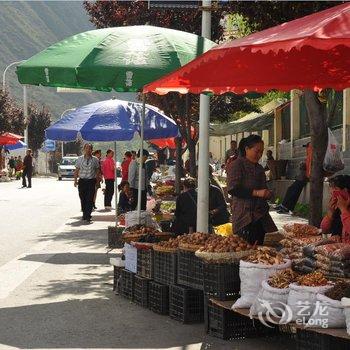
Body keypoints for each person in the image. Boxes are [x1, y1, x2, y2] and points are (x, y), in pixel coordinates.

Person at [228, 135, 277, 245]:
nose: (259, 155)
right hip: (244, 216)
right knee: (244, 249)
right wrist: (257, 193)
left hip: (260, 215)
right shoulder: (237, 165)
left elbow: (263, 187)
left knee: (259, 250)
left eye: (261, 152)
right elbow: (233, 189)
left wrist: (268, 193)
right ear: (246, 149)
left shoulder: (259, 168)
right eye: (257, 151)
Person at [74, 144, 100, 223]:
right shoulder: (80, 159)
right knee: (83, 198)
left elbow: (97, 170)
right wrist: (75, 180)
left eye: (90, 148)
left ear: (92, 150)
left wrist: (98, 181)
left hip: (91, 181)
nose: (88, 150)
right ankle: (84, 213)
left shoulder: (95, 159)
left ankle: (88, 215)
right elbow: (77, 170)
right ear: (84, 149)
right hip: (82, 181)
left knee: (90, 198)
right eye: (86, 148)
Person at [321, 175, 350, 243]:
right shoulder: (337, 208)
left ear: (346, 191)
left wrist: (344, 210)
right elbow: (324, 230)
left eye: (336, 190)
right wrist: (330, 213)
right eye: (331, 191)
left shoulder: (343, 208)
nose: (333, 195)